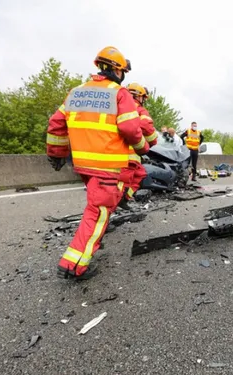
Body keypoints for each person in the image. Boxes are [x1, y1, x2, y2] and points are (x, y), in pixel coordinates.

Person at [46, 46, 149, 280]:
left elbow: (56, 123)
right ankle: (75, 265)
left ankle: (83, 251)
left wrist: (57, 153)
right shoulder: (119, 93)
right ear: (117, 70)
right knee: (98, 213)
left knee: (97, 208)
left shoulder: (77, 92)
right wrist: (143, 147)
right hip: (108, 167)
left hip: (84, 165)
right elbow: (130, 128)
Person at [118, 82, 158, 209]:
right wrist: (152, 142)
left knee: (140, 174)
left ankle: (124, 198)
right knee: (123, 180)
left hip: (117, 151)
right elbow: (147, 128)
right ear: (138, 96)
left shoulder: (118, 106)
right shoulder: (139, 110)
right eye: (143, 97)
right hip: (129, 153)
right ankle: (113, 202)